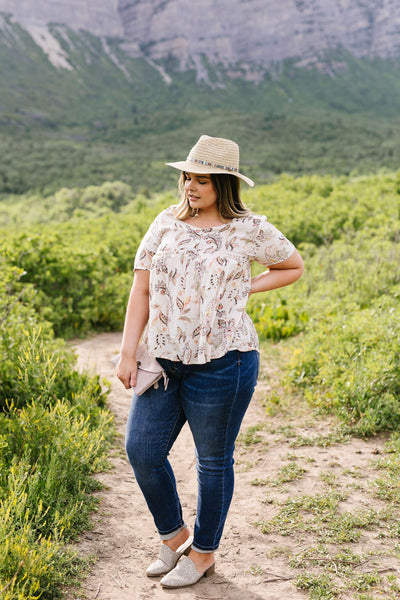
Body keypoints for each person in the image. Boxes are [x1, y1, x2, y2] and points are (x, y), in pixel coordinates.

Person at [116, 135, 304, 589]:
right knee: (141, 449)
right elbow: (141, 288)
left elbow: (292, 266)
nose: (190, 187)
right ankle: (175, 533)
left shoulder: (250, 229)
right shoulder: (165, 222)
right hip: (163, 360)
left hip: (226, 361)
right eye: (187, 177)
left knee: (213, 461)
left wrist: (245, 289)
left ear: (223, 184)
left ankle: (202, 553)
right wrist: (127, 350)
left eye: (201, 180)